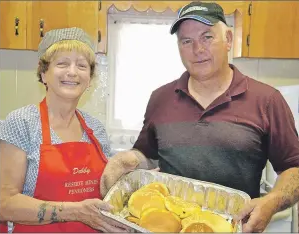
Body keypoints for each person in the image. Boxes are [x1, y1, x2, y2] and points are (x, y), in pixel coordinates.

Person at [100, 1, 299, 233]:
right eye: (187, 41)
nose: (197, 49)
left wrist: (272, 202)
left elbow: (293, 168)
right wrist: (128, 160)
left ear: (228, 39)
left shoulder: (267, 100)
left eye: (207, 37)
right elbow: (149, 155)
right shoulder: (160, 98)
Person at [0, 27, 129, 233]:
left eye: (82, 65)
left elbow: (103, 190)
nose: (72, 72)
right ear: (44, 74)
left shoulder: (95, 128)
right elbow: (3, 204)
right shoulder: (22, 122)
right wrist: (74, 212)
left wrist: (128, 175)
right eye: (62, 63)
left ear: (89, 79)